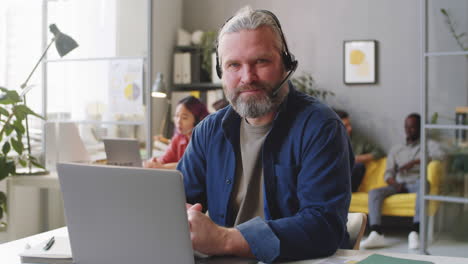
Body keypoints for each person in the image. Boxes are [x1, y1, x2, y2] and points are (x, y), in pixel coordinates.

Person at [177, 6, 353, 263]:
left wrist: (225, 239)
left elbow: (323, 227)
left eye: (261, 61)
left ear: (286, 65)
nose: (247, 77)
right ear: (221, 74)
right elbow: (178, 202)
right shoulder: (207, 131)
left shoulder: (321, 127)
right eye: (233, 65)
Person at [360, 113, 444, 250]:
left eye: (412, 127)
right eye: (406, 127)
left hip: (416, 182)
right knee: (374, 192)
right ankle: (376, 233)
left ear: (420, 128)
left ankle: (415, 231)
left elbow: (441, 156)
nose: (408, 130)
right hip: (398, 184)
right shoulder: (396, 149)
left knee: (425, 184)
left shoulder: (428, 145)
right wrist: (394, 183)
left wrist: (415, 162)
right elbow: (388, 173)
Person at [144, 96, 209, 170]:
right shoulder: (178, 139)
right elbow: (165, 159)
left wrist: (163, 167)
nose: (178, 121)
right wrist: (154, 163)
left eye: (184, 118)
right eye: (177, 116)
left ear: (198, 120)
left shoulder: (204, 141)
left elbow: (192, 165)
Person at [335, 109, 385, 192]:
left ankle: (344, 193)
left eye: (349, 124)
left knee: (359, 166)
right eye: (346, 126)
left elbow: (380, 152)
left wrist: (358, 158)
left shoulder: (357, 140)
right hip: (332, 179)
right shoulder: (327, 141)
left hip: (348, 182)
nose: (350, 128)